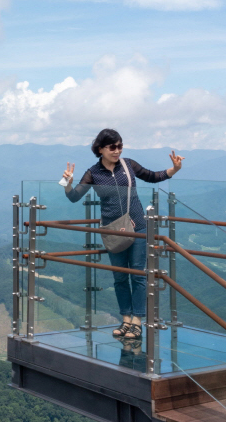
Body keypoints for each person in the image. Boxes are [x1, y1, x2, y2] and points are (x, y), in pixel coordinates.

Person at [61, 128, 184, 340]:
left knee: (138, 274)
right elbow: (73, 197)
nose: (117, 151)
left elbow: (152, 176)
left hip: (137, 227)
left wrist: (174, 169)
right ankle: (126, 319)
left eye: (120, 146)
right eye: (112, 147)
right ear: (100, 149)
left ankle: (137, 321)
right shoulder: (93, 173)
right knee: (119, 277)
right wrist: (67, 183)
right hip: (112, 229)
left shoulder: (128, 165)